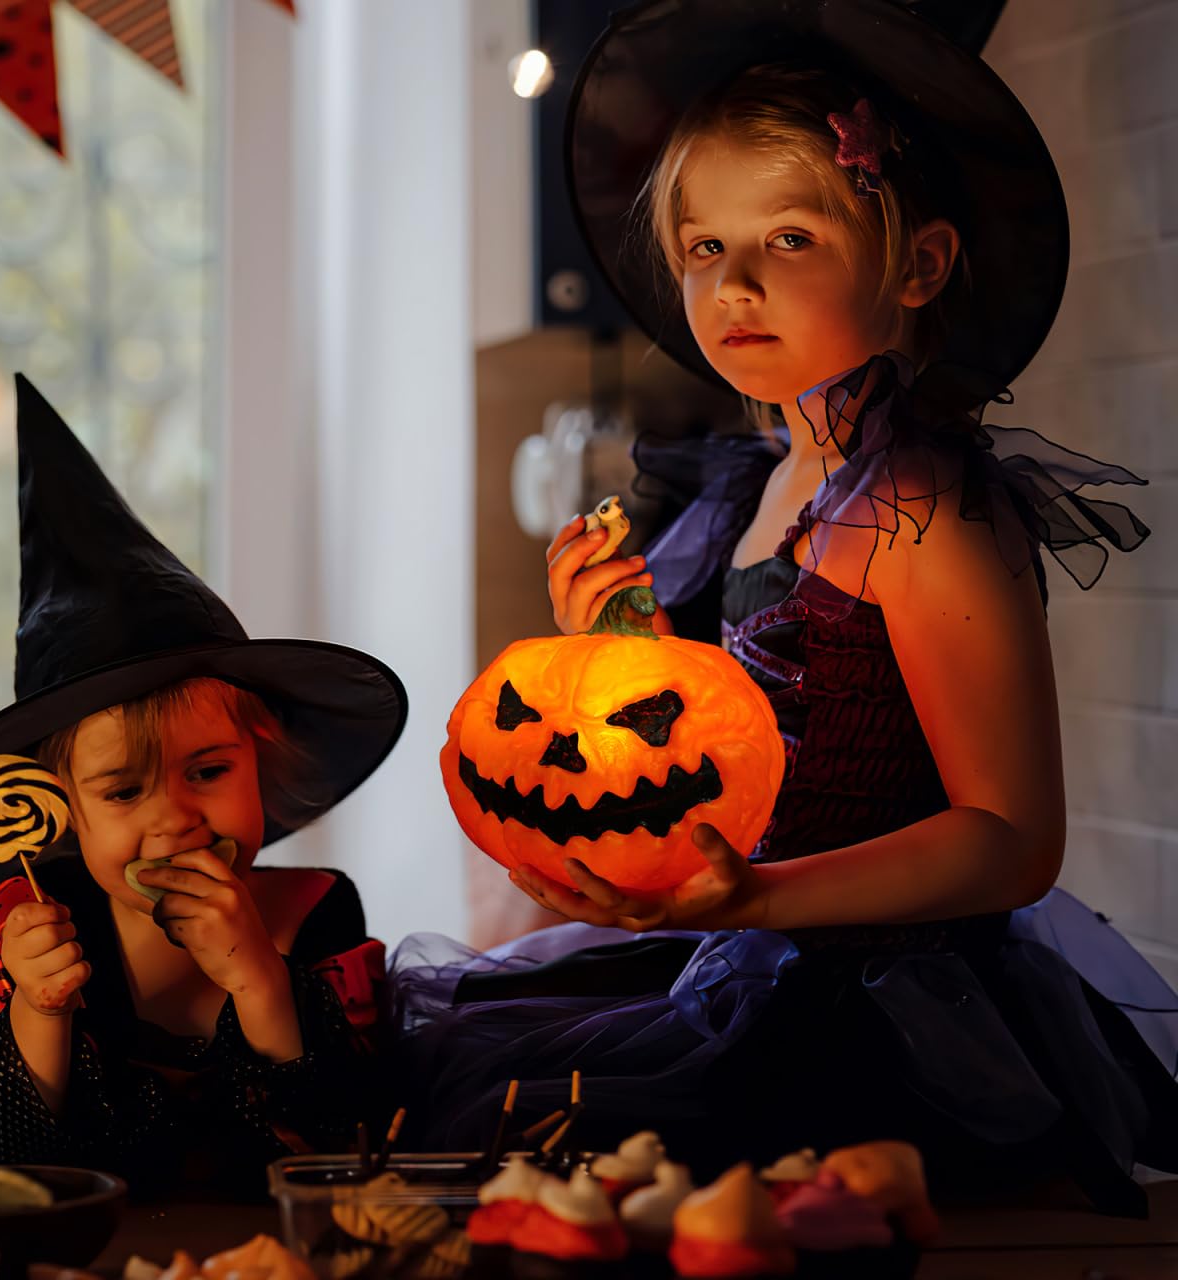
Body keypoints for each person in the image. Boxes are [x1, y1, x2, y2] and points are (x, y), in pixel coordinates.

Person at [392, 0, 1178, 1216]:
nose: (734, 282)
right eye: (703, 247)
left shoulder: (920, 508)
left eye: (790, 238)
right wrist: (616, 656)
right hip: (741, 951)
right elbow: (736, 744)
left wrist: (759, 899)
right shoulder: (759, 480)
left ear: (917, 264)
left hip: (881, 1005)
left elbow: (1011, 838)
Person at [0, 376, 407, 1194]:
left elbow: (350, 1141)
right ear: (60, 809)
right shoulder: (21, 928)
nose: (175, 819)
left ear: (261, 758)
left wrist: (261, 983)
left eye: (208, 772)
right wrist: (42, 1008)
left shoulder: (316, 917)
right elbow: (2, 1167)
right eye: (123, 793)